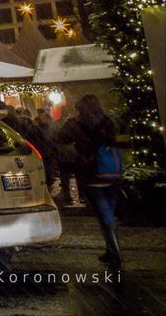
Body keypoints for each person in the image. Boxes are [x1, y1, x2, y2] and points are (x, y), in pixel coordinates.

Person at [56, 95, 122, 267]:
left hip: (91, 175)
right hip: (111, 173)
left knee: (104, 216)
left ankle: (115, 253)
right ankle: (111, 250)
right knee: (109, 214)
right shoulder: (107, 121)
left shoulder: (76, 123)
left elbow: (61, 138)